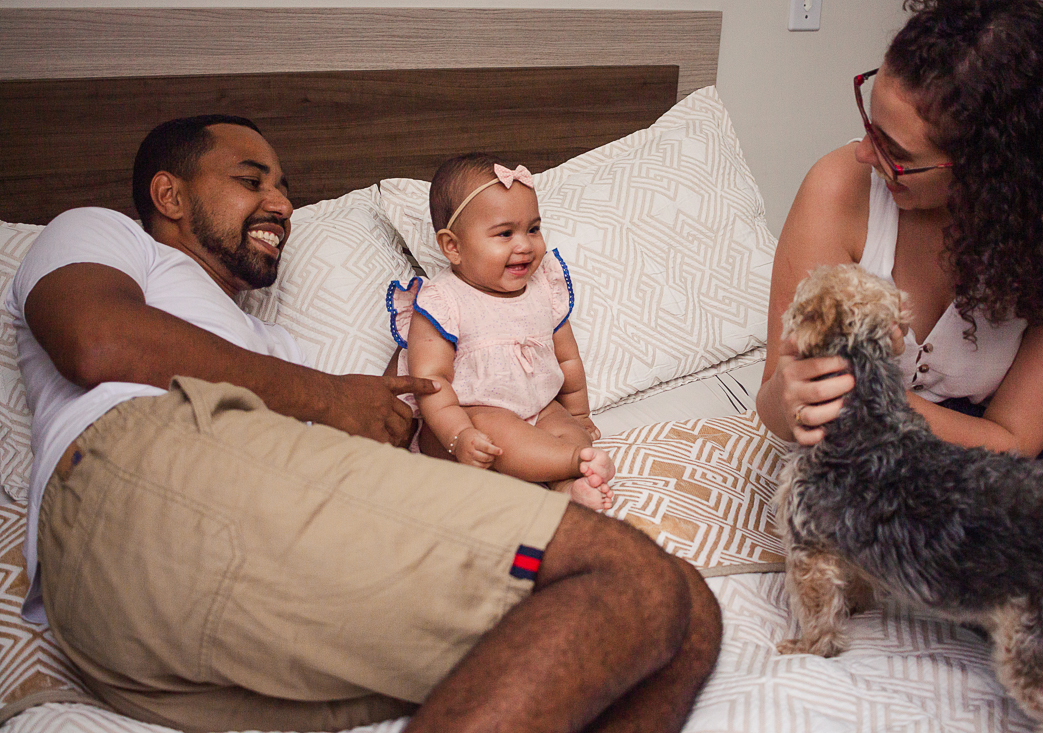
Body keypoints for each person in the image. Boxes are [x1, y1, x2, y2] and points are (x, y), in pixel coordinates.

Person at [7, 114, 722, 733]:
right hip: (144, 486)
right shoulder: (102, 235)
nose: (280, 203)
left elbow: (354, 487)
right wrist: (324, 397)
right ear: (169, 194)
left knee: (683, 615)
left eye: (284, 187)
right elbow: (93, 337)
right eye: (252, 180)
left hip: (235, 594)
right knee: (635, 578)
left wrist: (402, 409)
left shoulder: (274, 349)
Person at [756, 0, 1043, 478]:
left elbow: (1015, 439)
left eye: (895, 153)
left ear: (990, 171)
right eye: (869, 124)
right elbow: (780, 405)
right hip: (856, 446)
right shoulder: (838, 190)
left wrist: (868, 401)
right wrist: (787, 397)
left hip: (993, 450)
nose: (862, 153)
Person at [388, 154, 614, 511]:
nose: (524, 245)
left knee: (565, 429)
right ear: (453, 246)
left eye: (533, 229)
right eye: (505, 233)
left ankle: (566, 487)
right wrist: (458, 436)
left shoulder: (543, 287)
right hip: (469, 418)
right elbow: (431, 382)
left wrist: (579, 414)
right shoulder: (443, 302)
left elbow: (567, 358)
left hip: (538, 406)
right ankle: (574, 463)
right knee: (502, 433)